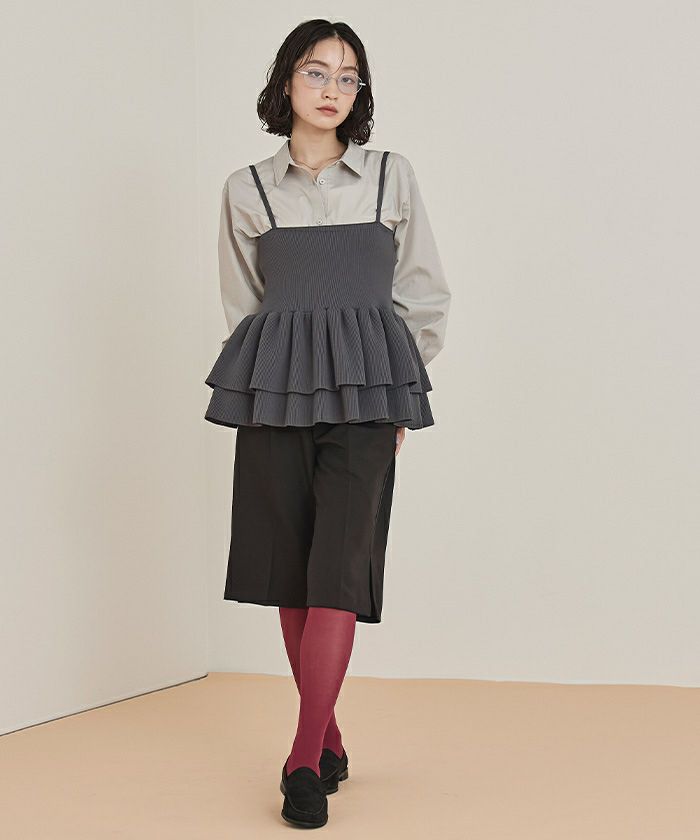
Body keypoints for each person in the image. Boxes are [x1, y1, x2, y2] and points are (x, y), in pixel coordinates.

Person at [204, 18, 451, 829]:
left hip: (368, 401)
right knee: (291, 573)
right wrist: (268, 382)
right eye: (317, 72)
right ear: (286, 81)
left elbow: (423, 294)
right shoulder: (247, 188)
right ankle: (332, 736)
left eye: (348, 77)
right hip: (277, 395)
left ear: (360, 93)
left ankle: (303, 759)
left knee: (338, 570)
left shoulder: (389, 177)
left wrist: (395, 389)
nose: (332, 90)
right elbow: (245, 306)